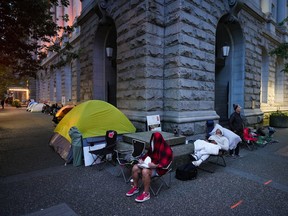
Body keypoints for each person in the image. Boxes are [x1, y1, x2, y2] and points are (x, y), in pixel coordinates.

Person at [126, 132, 173, 203]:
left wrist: (155, 165)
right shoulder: (153, 146)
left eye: (154, 141)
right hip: (150, 165)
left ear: (159, 141)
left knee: (145, 171)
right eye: (152, 140)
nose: (152, 142)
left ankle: (146, 194)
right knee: (135, 167)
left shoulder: (167, 150)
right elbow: (148, 154)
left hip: (159, 169)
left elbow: (165, 164)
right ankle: (135, 187)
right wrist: (142, 159)